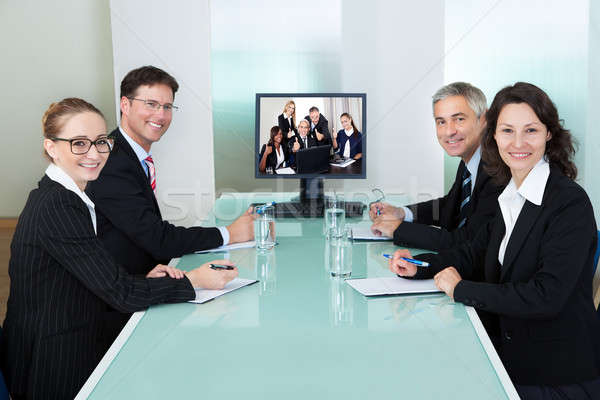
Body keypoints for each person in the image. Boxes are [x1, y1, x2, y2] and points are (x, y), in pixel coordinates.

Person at [0, 98, 239, 399]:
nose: (94, 154)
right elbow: (120, 293)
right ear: (51, 147)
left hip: (68, 335)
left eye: (101, 142)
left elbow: (95, 275)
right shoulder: (57, 205)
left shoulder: (67, 196)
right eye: (79, 143)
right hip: (51, 361)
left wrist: (144, 279)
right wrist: (195, 281)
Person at [389, 83, 600, 398]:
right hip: (509, 352)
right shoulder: (511, 192)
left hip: (555, 374)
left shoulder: (569, 202)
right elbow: (474, 254)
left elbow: (546, 295)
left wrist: (462, 289)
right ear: (495, 136)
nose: (517, 143)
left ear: (549, 134)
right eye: (507, 131)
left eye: (530, 130)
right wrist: (418, 265)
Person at [86, 66, 253, 345]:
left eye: (167, 106)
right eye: (150, 104)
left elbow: (142, 233)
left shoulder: (130, 155)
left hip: (139, 275)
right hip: (110, 309)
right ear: (124, 105)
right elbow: (158, 239)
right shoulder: (112, 161)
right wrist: (231, 234)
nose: (161, 115)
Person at [370, 82, 503, 251]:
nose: (449, 131)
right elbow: (450, 206)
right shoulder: (470, 160)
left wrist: (398, 229)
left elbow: (469, 240)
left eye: (459, 119)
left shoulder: (497, 169)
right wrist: (401, 213)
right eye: (441, 122)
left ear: (483, 119)